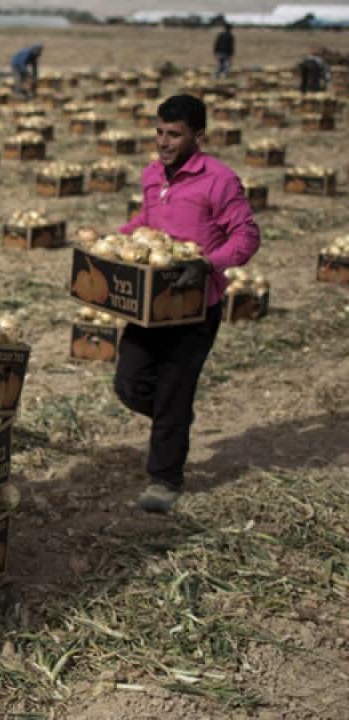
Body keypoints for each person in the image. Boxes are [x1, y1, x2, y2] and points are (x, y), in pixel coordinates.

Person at [116, 95, 260, 514]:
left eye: (174, 134)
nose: (163, 142)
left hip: (196, 306)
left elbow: (247, 237)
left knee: (174, 395)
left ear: (198, 136)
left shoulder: (220, 181)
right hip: (151, 304)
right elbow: (147, 223)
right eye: (159, 132)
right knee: (129, 384)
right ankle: (172, 420)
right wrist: (114, 241)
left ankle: (165, 479)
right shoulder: (152, 175)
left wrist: (207, 265)